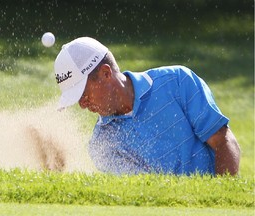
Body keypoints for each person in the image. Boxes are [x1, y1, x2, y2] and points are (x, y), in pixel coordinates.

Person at [54, 37, 240, 176]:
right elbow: (149, 194)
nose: (82, 104)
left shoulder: (177, 81)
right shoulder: (102, 145)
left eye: (83, 94)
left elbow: (223, 142)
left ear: (105, 73)